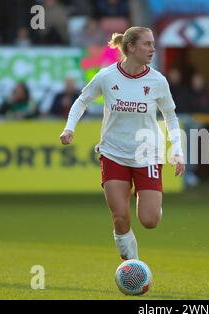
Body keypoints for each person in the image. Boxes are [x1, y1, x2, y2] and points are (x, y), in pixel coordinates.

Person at [59, 27, 185, 261]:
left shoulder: (158, 80)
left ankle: (150, 201)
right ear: (131, 47)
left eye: (153, 43)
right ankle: (132, 266)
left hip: (147, 153)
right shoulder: (107, 76)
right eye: (147, 44)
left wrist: (177, 151)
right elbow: (82, 101)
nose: (152, 49)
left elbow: (170, 116)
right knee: (120, 217)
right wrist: (69, 128)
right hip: (113, 153)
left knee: (149, 220)